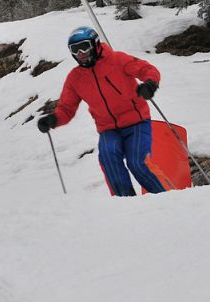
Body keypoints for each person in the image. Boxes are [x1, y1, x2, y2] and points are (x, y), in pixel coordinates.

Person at [37, 26, 172, 196]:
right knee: (108, 157)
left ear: (95, 44)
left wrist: (150, 84)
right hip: (108, 129)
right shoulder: (75, 78)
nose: (80, 53)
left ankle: (167, 198)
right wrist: (53, 119)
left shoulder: (117, 60)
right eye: (75, 50)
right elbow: (66, 109)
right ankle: (126, 203)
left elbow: (147, 69)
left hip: (136, 122)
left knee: (137, 162)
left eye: (84, 46)